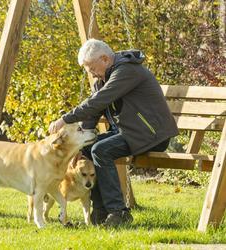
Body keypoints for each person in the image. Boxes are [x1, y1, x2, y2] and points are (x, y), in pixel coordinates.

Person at [49, 39, 179, 227]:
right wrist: (80, 142)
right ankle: (100, 212)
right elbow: (93, 111)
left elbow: (99, 101)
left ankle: (118, 212)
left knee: (101, 150)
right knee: (88, 148)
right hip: (130, 132)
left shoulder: (127, 71)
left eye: (92, 68)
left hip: (152, 135)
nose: (92, 74)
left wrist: (65, 119)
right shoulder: (102, 78)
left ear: (104, 59)